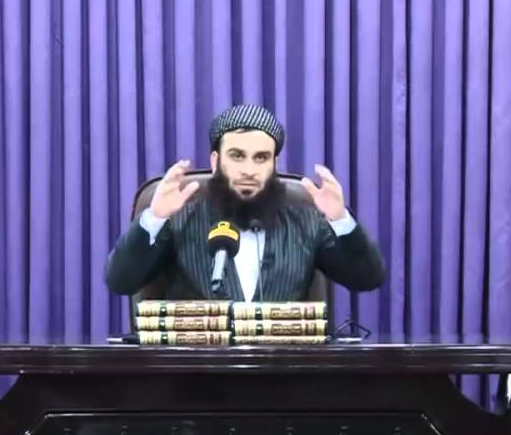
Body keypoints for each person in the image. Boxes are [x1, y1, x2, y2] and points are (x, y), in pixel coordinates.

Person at [106, 104, 385, 301]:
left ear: (274, 164)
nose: (249, 170)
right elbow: (120, 281)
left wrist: (340, 221)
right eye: (237, 156)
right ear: (216, 162)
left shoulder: (306, 223)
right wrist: (155, 217)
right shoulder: (180, 220)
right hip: (196, 368)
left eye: (261, 158)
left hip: (284, 367)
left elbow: (367, 279)